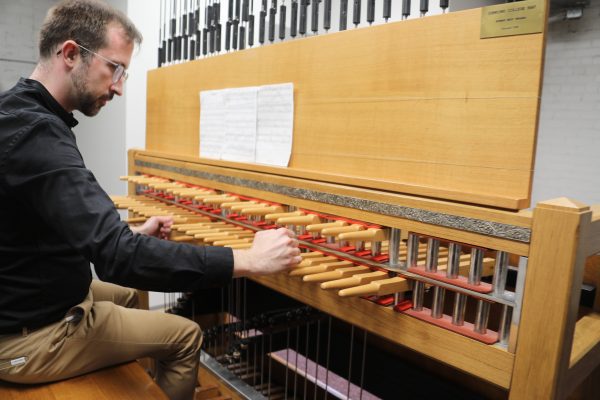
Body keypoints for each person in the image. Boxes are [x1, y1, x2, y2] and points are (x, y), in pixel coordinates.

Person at [0, 1, 301, 399]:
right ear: (71, 54)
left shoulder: (20, 110)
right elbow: (119, 257)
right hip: (25, 337)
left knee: (127, 294)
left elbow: (48, 224)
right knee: (185, 336)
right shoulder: (39, 136)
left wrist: (132, 233)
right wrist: (248, 259)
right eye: (115, 68)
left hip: (31, 295)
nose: (120, 87)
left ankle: (136, 375)